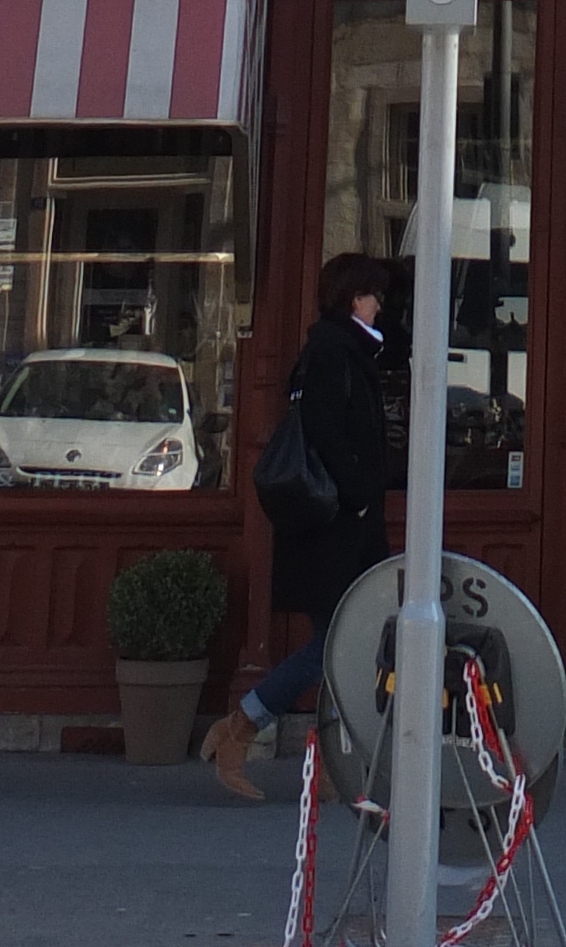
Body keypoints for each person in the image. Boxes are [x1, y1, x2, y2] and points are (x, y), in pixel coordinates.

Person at [205, 253, 396, 797]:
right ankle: (240, 726)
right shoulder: (335, 352)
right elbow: (328, 432)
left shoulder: (342, 349)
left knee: (343, 641)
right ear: (350, 297)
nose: (378, 304)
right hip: (335, 528)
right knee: (338, 641)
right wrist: (360, 496)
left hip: (336, 525)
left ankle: (334, 766)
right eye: (371, 294)